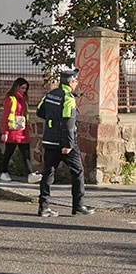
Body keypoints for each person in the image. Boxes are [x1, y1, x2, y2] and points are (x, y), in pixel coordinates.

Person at [36, 68, 94, 218]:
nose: (77, 83)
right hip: (65, 142)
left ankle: (43, 208)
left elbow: (40, 111)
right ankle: (78, 205)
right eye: (76, 81)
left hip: (49, 139)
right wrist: (68, 145)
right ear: (70, 82)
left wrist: (53, 121)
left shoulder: (50, 94)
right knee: (78, 172)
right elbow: (69, 123)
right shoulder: (68, 98)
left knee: (48, 173)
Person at [0, 78, 42, 184]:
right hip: (13, 130)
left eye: (25, 88)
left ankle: (30, 174)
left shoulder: (23, 99)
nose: (24, 90)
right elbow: (6, 116)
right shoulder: (11, 99)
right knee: (9, 152)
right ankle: (4, 171)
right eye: (22, 88)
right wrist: (5, 132)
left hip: (22, 130)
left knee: (25, 153)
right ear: (16, 87)